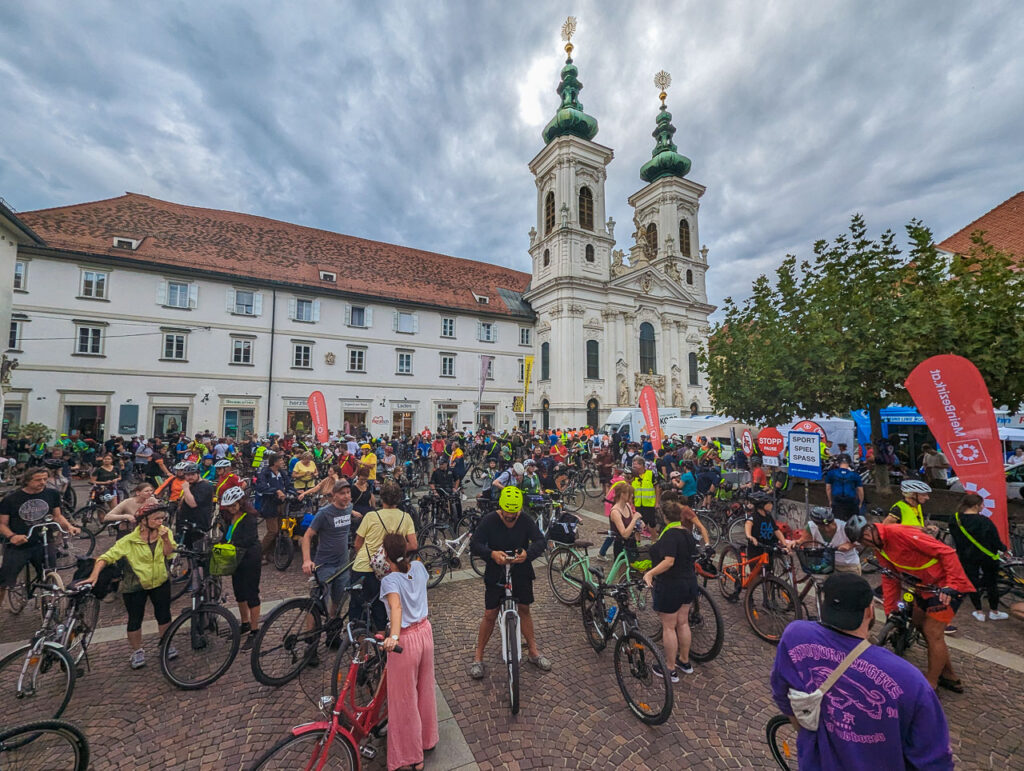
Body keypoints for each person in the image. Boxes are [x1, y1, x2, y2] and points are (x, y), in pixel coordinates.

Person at [770, 573, 954, 769]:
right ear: (869, 611)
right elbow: (936, 760)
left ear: (823, 606)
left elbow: (781, 692)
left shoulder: (795, 635)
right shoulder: (909, 679)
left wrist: (806, 730)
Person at [844, 515, 975, 691]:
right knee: (918, 623)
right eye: (861, 540)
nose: (866, 541)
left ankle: (931, 683)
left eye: (865, 535)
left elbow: (947, 552)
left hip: (946, 585)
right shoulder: (878, 546)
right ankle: (949, 675)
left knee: (933, 631)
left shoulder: (898, 533)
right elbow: (889, 576)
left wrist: (952, 584)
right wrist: (891, 609)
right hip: (923, 586)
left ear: (870, 528)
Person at [80, 503, 177, 669]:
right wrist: (94, 574)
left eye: (162, 518)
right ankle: (137, 650)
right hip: (135, 584)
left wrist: (166, 539)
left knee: (164, 615)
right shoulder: (128, 541)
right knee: (135, 619)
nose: (160, 522)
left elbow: (169, 554)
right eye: (156, 519)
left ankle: (166, 643)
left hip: (160, 580)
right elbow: (106, 557)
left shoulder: (165, 533)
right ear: (143, 521)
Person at [468, 486, 550, 678]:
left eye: (514, 514)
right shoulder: (489, 520)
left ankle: (533, 652)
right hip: (496, 570)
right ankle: (478, 657)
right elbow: (475, 544)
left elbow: (540, 540)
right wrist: (491, 554)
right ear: (501, 508)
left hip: (521, 570)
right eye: (507, 514)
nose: (510, 518)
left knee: (524, 609)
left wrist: (527, 554)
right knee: (490, 613)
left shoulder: (525, 520)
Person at [380, 533, 438, 771]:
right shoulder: (418, 567)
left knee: (403, 700)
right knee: (425, 689)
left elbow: (396, 607)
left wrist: (393, 637)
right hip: (426, 632)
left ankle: (411, 756)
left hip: (405, 640)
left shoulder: (389, 580)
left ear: (385, 555)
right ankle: (428, 739)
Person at [0, 468, 81, 608]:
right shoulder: (10, 499)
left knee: (50, 573)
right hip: (19, 545)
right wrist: (12, 536)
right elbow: (2, 524)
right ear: (26, 481)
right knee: (5, 580)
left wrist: (69, 526)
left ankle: (50, 606)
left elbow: (57, 516)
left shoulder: (52, 494)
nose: (42, 482)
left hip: (43, 540)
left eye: (45, 479)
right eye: (38, 480)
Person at [643, 501, 700, 682]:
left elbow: (669, 561)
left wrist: (650, 573)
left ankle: (669, 668)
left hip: (672, 584)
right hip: (689, 582)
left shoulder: (670, 536)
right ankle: (684, 660)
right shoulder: (687, 534)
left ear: (665, 517)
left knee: (669, 626)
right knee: (683, 623)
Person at [351, 480, 417, 632]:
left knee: (357, 610)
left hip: (363, 566)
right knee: (381, 610)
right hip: (389, 569)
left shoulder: (371, 516)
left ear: (381, 497)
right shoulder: (405, 517)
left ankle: (359, 648)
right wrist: (394, 550)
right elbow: (413, 545)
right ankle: (381, 649)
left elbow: (357, 544)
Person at [948, 493, 1009, 622]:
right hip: (988, 556)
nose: (983, 507)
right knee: (991, 583)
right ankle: (994, 611)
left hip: (966, 555)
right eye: (982, 505)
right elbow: (995, 540)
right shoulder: (984, 521)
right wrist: (1004, 549)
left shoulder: (955, 519)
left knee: (972, 582)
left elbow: (956, 537)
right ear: (976, 506)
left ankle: (979, 611)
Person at [218, 486, 262, 650]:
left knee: (251, 593)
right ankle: (244, 623)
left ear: (240, 503)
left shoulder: (249, 518)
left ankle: (255, 629)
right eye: (229, 507)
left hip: (250, 559)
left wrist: (229, 545)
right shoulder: (230, 518)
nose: (231, 509)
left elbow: (248, 539)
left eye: (233, 505)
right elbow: (227, 536)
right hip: (236, 559)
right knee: (239, 593)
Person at [302, 479, 354, 617]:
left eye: (348, 493)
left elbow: (349, 510)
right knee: (316, 604)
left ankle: (332, 630)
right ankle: (310, 637)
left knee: (338, 600)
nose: (346, 496)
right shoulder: (324, 513)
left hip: (343, 564)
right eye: (342, 493)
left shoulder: (349, 508)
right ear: (334, 495)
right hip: (324, 564)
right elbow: (307, 536)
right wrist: (307, 560)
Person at [255, 454, 295, 561]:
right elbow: (261, 487)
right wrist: (275, 491)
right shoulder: (265, 473)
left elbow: (288, 484)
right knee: (272, 531)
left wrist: (296, 491)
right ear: (275, 462)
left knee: (278, 531)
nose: (283, 462)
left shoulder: (282, 473)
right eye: (281, 460)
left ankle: (269, 553)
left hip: (281, 504)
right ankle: (258, 554)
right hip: (269, 505)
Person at [798, 507, 860, 574]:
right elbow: (803, 541)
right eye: (822, 527)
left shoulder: (846, 528)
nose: (827, 529)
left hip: (847, 565)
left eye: (830, 524)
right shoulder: (811, 527)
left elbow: (859, 541)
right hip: (826, 563)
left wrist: (850, 545)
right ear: (816, 524)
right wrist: (794, 543)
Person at [177, 461, 215, 548]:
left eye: (192, 474)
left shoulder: (204, 486)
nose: (189, 477)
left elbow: (193, 504)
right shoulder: (192, 485)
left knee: (194, 554)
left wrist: (186, 489)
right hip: (186, 525)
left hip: (197, 527)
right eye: (187, 475)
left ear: (198, 474)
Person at [823, 453, 863, 519]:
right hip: (851, 502)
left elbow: (828, 489)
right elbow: (860, 490)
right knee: (852, 521)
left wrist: (830, 501)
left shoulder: (831, 473)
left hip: (837, 501)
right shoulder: (855, 475)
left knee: (838, 521)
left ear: (838, 462)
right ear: (849, 462)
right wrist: (860, 502)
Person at [630, 456, 659, 529]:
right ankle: (638, 540)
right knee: (637, 524)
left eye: (635, 464)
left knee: (652, 524)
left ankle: (654, 540)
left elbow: (657, 488)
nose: (633, 466)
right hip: (637, 504)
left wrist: (657, 502)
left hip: (649, 504)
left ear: (641, 465)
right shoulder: (632, 476)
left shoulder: (650, 474)